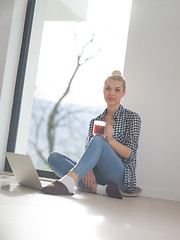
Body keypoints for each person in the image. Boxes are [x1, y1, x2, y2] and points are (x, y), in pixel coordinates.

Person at [42, 70, 141, 199]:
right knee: (54, 158)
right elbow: (89, 150)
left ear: (124, 93)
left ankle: (69, 182)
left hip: (121, 178)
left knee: (99, 140)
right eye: (108, 88)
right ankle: (99, 189)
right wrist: (89, 170)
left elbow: (130, 154)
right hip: (98, 177)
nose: (111, 93)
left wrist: (110, 141)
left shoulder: (132, 118)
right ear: (103, 90)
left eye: (117, 90)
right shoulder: (95, 121)